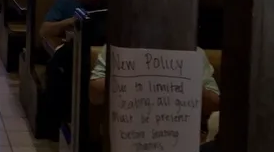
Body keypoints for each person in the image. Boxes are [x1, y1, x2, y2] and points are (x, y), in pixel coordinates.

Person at [89, 46, 221, 118]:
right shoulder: (118, 48)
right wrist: (136, 79)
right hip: (127, 130)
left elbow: (215, 105)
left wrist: (185, 83)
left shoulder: (194, 54)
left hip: (180, 133)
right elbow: (95, 95)